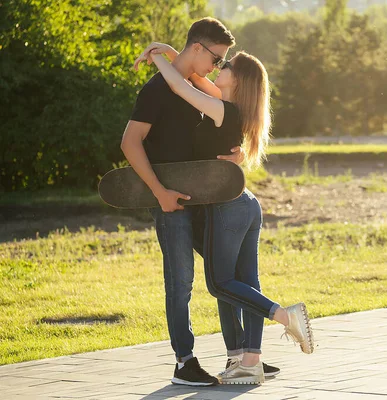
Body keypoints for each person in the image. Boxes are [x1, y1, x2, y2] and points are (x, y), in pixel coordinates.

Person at [141, 44, 315, 385]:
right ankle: (249, 360)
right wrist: (178, 53)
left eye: (227, 64)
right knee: (245, 282)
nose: (220, 66)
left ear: (238, 80)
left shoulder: (223, 111)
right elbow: (192, 76)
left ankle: (285, 316)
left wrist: (156, 58)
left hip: (227, 208)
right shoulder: (228, 105)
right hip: (246, 204)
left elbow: (179, 86)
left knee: (220, 283)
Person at [121, 18, 242, 387]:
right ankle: (184, 363)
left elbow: (222, 104)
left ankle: (240, 356)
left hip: (205, 200)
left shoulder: (190, 84)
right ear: (198, 48)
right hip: (171, 203)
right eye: (216, 59)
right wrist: (159, 192)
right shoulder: (155, 91)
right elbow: (130, 143)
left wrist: (233, 157)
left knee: (226, 275)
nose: (217, 67)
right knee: (181, 283)